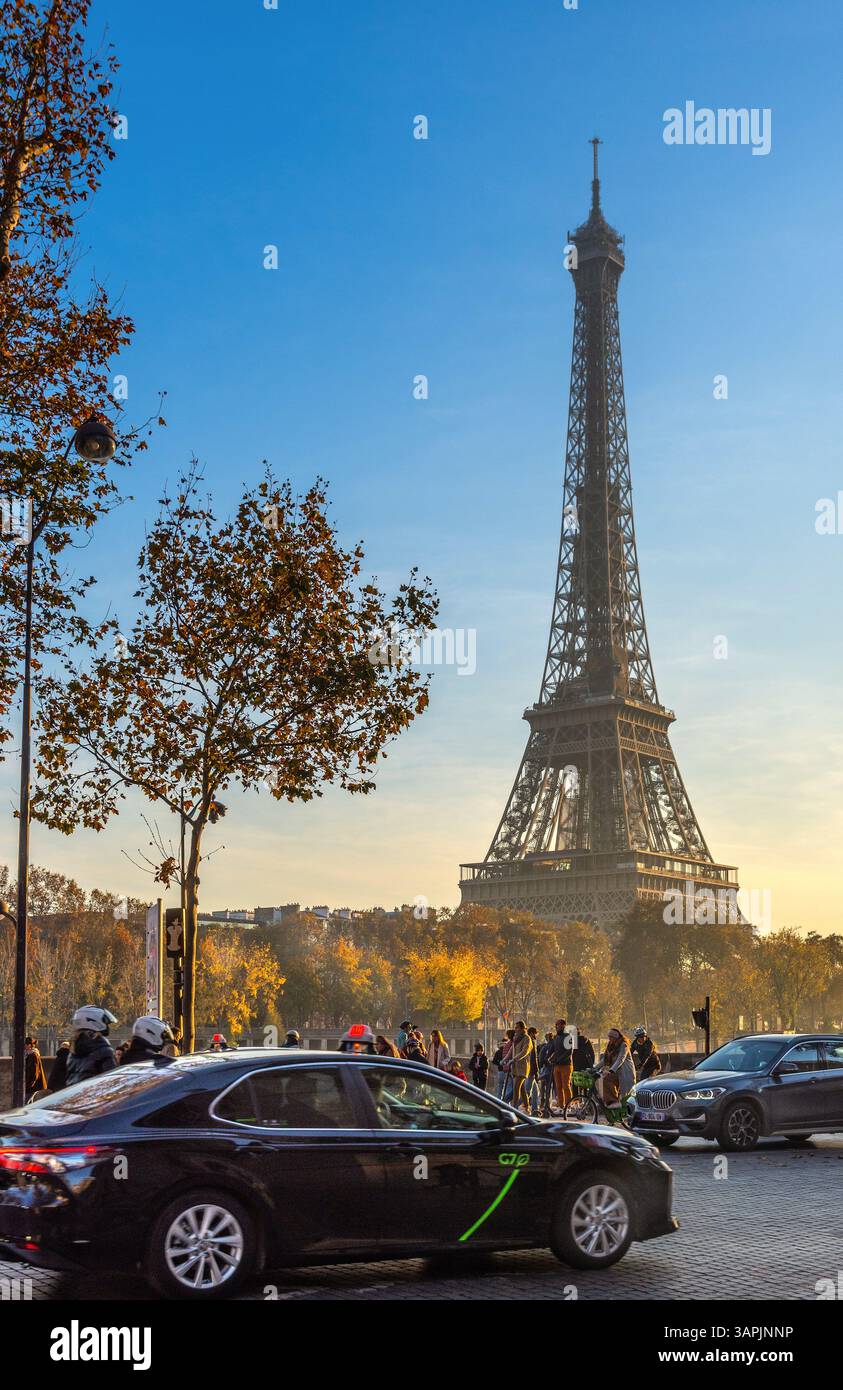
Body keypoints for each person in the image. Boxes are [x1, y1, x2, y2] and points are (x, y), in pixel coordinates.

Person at [64, 1006, 118, 1087]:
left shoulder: (73, 1051)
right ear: (94, 1021)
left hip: (74, 1097)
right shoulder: (104, 1050)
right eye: (104, 1021)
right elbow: (112, 1082)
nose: (107, 1025)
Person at [599, 1027, 636, 1125]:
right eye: (608, 1037)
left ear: (615, 1037)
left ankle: (631, 1119)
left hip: (625, 1073)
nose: (609, 1039)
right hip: (616, 1072)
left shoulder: (624, 1045)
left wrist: (611, 1070)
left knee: (626, 1097)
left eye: (611, 1037)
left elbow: (621, 1059)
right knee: (605, 1079)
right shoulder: (610, 1046)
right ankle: (613, 1103)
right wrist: (594, 1068)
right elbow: (604, 1060)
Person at [549, 1018, 574, 1111]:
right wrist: (548, 1058)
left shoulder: (568, 1037)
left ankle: (568, 1104)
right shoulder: (556, 1037)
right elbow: (554, 1050)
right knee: (558, 1086)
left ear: (563, 1026)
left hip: (566, 1065)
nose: (556, 1027)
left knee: (566, 1085)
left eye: (558, 1025)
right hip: (557, 1065)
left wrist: (559, 1059)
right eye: (555, 1025)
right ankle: (561, 1105)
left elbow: (569, 1051)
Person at [510, 1020, 533, 1112]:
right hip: (515, 1067)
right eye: (515, 1027)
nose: (515, 1029)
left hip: (523, 1067)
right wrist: (505, 1059)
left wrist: (515, 1059)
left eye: (517, 1027)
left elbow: (525, 1051)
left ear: (522, 1028)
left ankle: (513, 1108)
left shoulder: (526, 1038)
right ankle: (527, 1107)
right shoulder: (516, 1038)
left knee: (516, 1087)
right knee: (522, 1088)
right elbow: (511, 1051)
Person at [538, 1031, 555, 1116]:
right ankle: (547, 1104)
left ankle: (543, 1103)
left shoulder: (544, 1046)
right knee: (549, 1088)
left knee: (543, 1088)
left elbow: (541, 1058)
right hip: (550, 1069)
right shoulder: (553, 1045)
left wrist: (541, 1066)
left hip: (544, 1068)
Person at [526, 1026, 541, 1116]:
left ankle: (534, 1110)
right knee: (527, 1091)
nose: (536, 1035)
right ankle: (514, 1107)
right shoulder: (531, 1041)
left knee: (536, 1091)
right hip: (531, 1070)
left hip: (530, 1070)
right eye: (535, 1033)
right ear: (532, 1033)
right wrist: (536, 1071)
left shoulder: (529, 1040)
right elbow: (533, 1058)